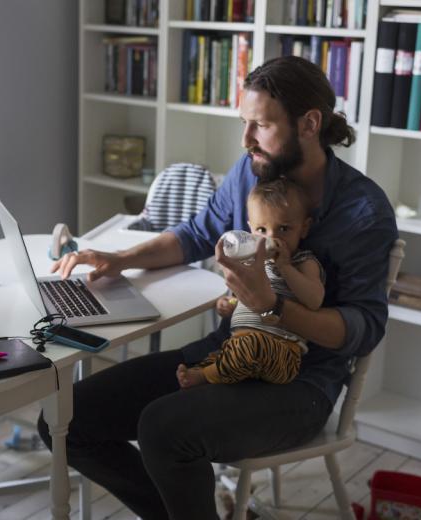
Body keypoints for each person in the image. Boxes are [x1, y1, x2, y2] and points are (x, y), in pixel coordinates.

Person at [38, 55, 398, 519]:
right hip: (226, 354)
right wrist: (119, 260)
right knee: (65, 420)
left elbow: (362, 329)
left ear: (309, 123)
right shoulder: (252, 171)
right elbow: (194, 233)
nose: (246, 140)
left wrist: (273, 307)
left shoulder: (363, 212)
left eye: (260, 126)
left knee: (164, 429)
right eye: (244, 123)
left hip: (302, 383)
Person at [176, 178, 325, 388]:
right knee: (229, 351)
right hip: (239, 342)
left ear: (304, 227)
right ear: (249, 230)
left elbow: (314, 300)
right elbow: (247, 298)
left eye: (283, 229)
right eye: (262, 230)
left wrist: (285, 267)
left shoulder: (302, 262)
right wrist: (230, 303)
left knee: (251, 347)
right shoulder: (252, 262)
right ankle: (214, 368)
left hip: (282, 351)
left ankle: (206, 375)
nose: (271, 239)